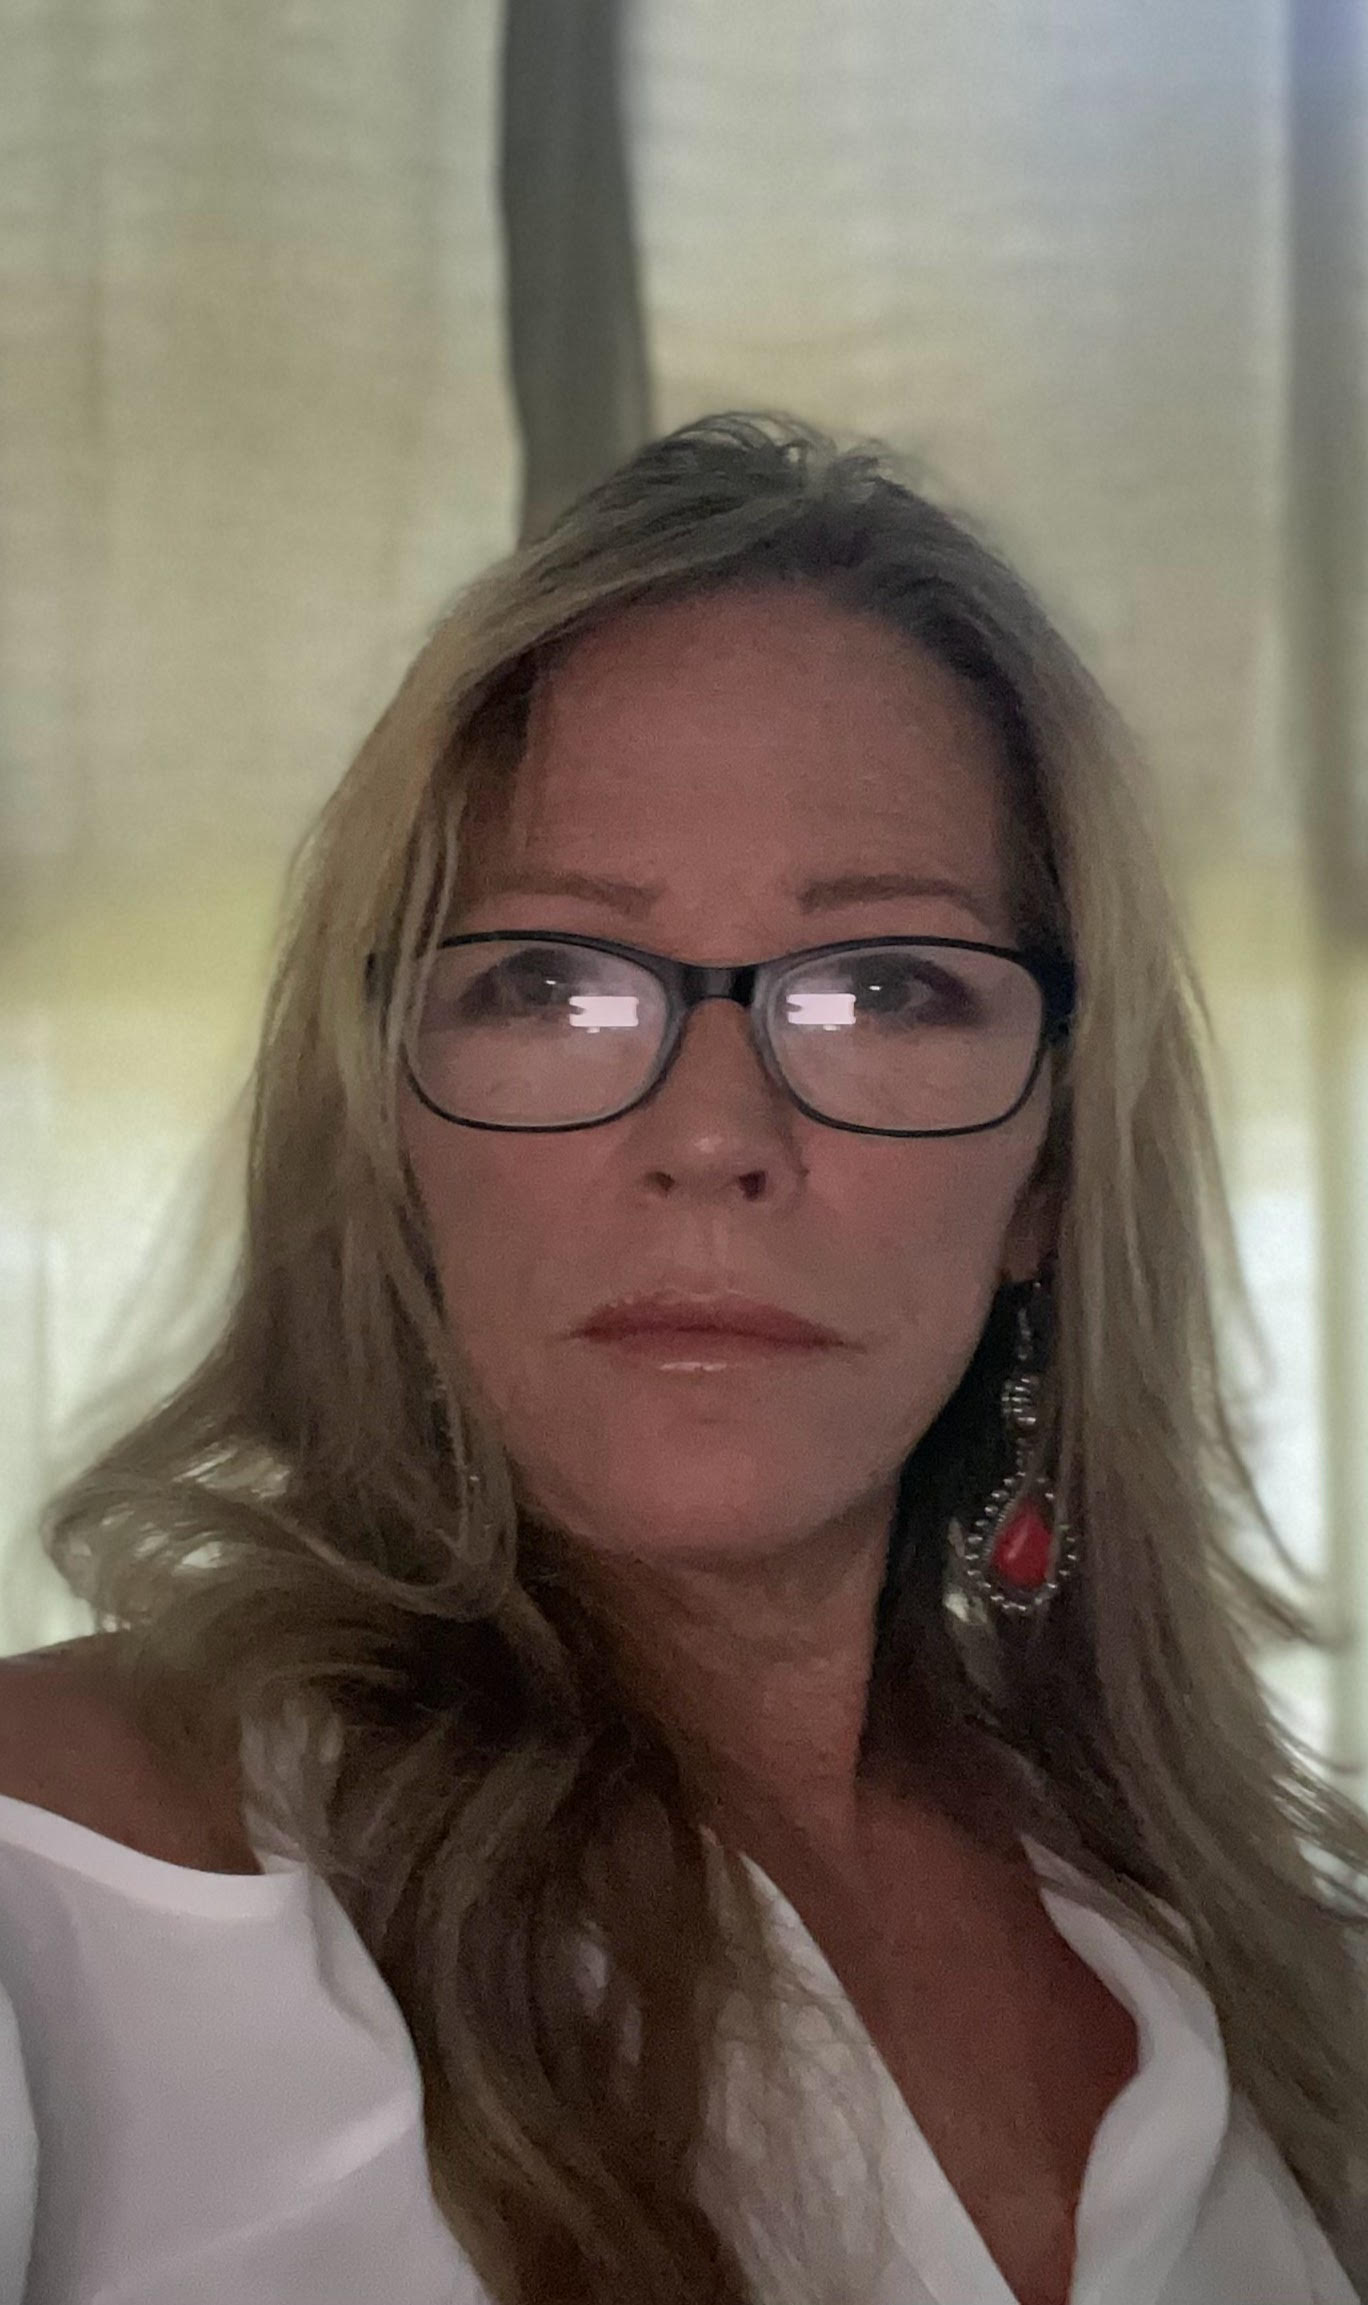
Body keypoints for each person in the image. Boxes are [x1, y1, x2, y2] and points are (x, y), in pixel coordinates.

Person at [0, 413, 1365, 2305]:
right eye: (550, 979)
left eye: (885, 984)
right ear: (391, 1131)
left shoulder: (1272, 1963)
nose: (715, 1132)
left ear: (1048, 1169)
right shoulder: (60, 1894)